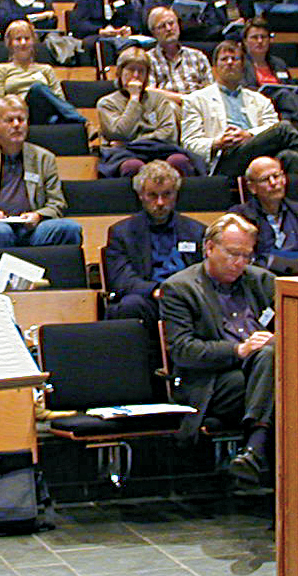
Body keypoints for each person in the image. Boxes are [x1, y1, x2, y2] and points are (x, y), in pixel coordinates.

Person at [159, 213, 276, 486]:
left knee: (271, 359)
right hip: (213, 381)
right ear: (209, 248)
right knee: (280, 382)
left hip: (263, 371)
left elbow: (294, 324)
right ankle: (259, 451)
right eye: (233, 253)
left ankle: (255, 451)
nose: (240, 263)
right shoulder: (180, 288)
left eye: (247, 256)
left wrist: (273, 339)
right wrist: (239, 350)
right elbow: (183, 350)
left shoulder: (262, 281)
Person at [0, 94, 82, 262]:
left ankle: (63, 286)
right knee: (1, 232)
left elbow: (57, 203)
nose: (16, 125)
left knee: (69, 228)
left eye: (21, 120)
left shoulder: (44, 157)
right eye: (9, 120)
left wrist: (38, 216)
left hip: (33, 229)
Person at [180, 39, 298, 177]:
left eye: (234, 59)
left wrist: (249, 135)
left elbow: (271, 127)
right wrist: (218, 142)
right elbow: (190, 144)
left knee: (292, 157)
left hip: (260, 154)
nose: (229, 63)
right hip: (225, 160)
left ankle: (292, 198)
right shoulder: (195, 100)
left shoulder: (261, 100)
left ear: (242, 66)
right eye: (224, 59)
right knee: (284, 128)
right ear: (215, 68)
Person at [103, 160, 206, 332]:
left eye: (167, 194)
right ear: (140, 195)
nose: (160, 202)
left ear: (176, 194)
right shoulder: (121, 233)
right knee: (130, 305)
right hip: (149, 300)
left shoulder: (197, 231)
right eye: (153, 195)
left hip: (187, 298)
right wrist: (156, 291)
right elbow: (121, 279)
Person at [96, 46, 195, 177]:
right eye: (131, 70)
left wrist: (134, 142)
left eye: (141, 71)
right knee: (132, 166)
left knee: (179, 161)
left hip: (159, 149)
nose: (136, 75)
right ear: (120, 72)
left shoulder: (159, 100)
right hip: (124, 154)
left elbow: (168, 133)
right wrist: (134, 99)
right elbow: (120, 133)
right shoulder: (107, 103)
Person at [234, 155, 298, 273]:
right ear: (252, 187)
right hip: (258, 283)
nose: (273, 183)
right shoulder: (239, 218)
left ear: (284, 179)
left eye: (276, 176)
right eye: (265, 179)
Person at [0, 21, 84, 125]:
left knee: (55, 118)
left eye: (27, 39)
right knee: (37, 88)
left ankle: (75, 123)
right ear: (10, 43)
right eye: (18, 39)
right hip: (17, 115)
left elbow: (59, 99)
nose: (23, 43)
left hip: (44, 114)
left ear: (33, 41)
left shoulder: (46, 69)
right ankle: (83, 122)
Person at [144, 6, 212, 99]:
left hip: (198, 108)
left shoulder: (197, 56)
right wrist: (183, 99)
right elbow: (150, 93)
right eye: (162, 26)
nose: (168, 28)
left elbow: (211, 90)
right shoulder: (147, 59)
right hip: (166, 110)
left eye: (171, 23)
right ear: (153, 32)